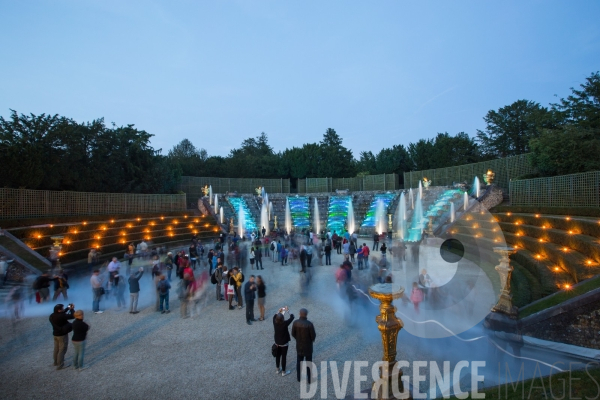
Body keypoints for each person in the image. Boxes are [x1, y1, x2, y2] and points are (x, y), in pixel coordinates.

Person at [292, 308, 316, 384]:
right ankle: (309, 379)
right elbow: (313, 336)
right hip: (308, 346)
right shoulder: (309, 324)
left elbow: (293, 333)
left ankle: (299, 378)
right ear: (306, 314)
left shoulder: (295, 323)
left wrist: (298, 339)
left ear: (299, 314)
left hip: (299, 345)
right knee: (309, 363)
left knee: (299, 361)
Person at [49, 303, 75, 370]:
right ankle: (60, 365)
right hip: (62, 335)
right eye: (62, 308)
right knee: (62, 350)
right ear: (59, 310)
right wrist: (72, 309)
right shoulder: (62, 316)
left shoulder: (52, 316)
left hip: (55, 334)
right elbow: (73, 316)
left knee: (56, 349)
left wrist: (67, 308)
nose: (64, 309)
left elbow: (62, 314)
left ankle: (55, 362)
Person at [273, 307, 295, 376]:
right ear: (283, 319)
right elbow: (292, 317)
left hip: (277, 342)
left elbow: (274, 316)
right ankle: (283, 371)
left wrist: (279, 311)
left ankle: (277, 369)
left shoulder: (274, 322)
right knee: (284, 357)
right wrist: (288, 310)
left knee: (278, 356)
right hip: (284, 343)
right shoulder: (285, 323)